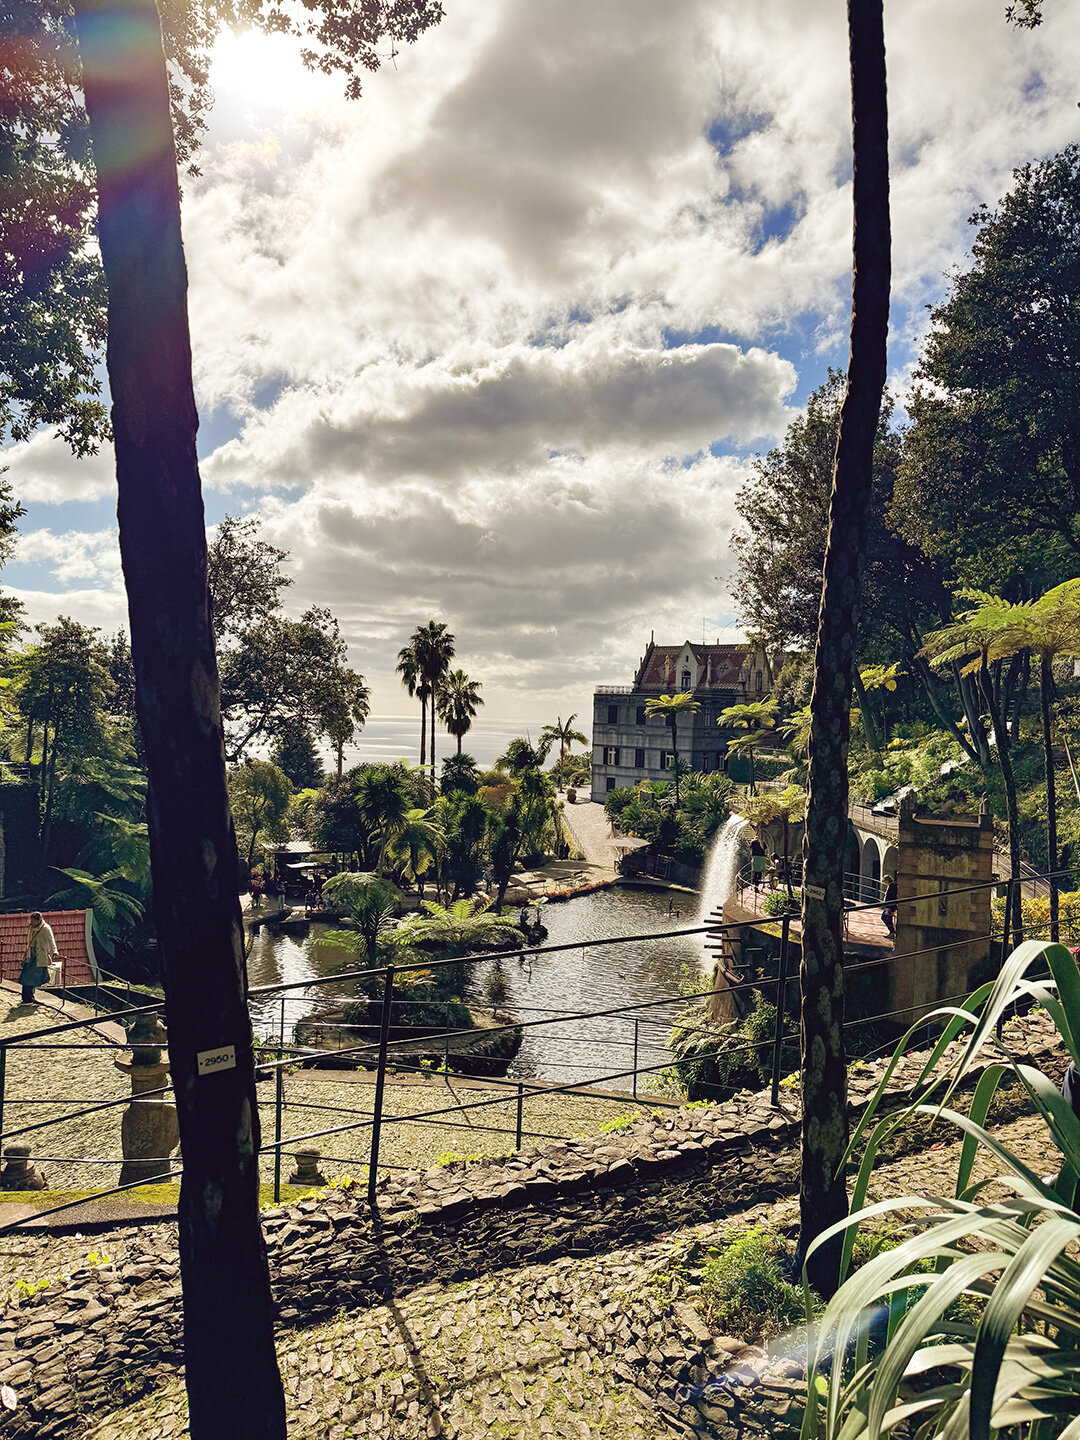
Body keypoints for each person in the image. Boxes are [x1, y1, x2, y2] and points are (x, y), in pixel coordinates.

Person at [21, 912, 59, 1004]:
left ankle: (29, 997)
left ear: (38, 920)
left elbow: (51, 940)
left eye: (33, 920)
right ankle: (27, 997)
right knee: (26, 977)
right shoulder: (32, 928)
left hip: (39, 957)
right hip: (31, 956)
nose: (31, 922)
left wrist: (54, 951)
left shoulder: (46, 928)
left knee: (33, 977)